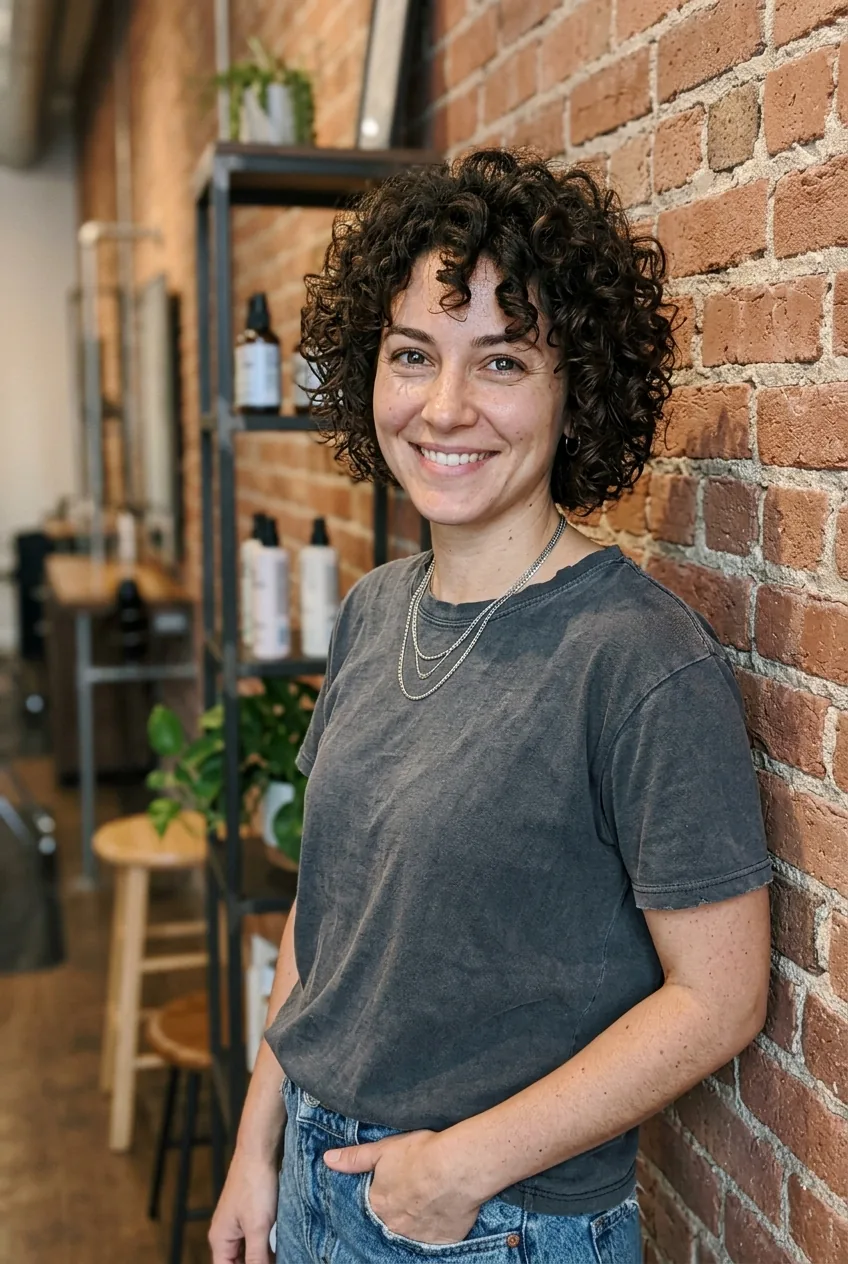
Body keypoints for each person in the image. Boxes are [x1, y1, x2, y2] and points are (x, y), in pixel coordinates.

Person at [209, 149, 772, 1264]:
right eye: (413, 354)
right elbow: (328, 913)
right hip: (316, 1177)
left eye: (502, 361)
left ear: (576, 391)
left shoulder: (637, 657)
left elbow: (720, 996)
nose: (444, 407)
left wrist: (459, 1170)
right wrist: (257, 1139)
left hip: (487, 1221)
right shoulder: (375, 609)